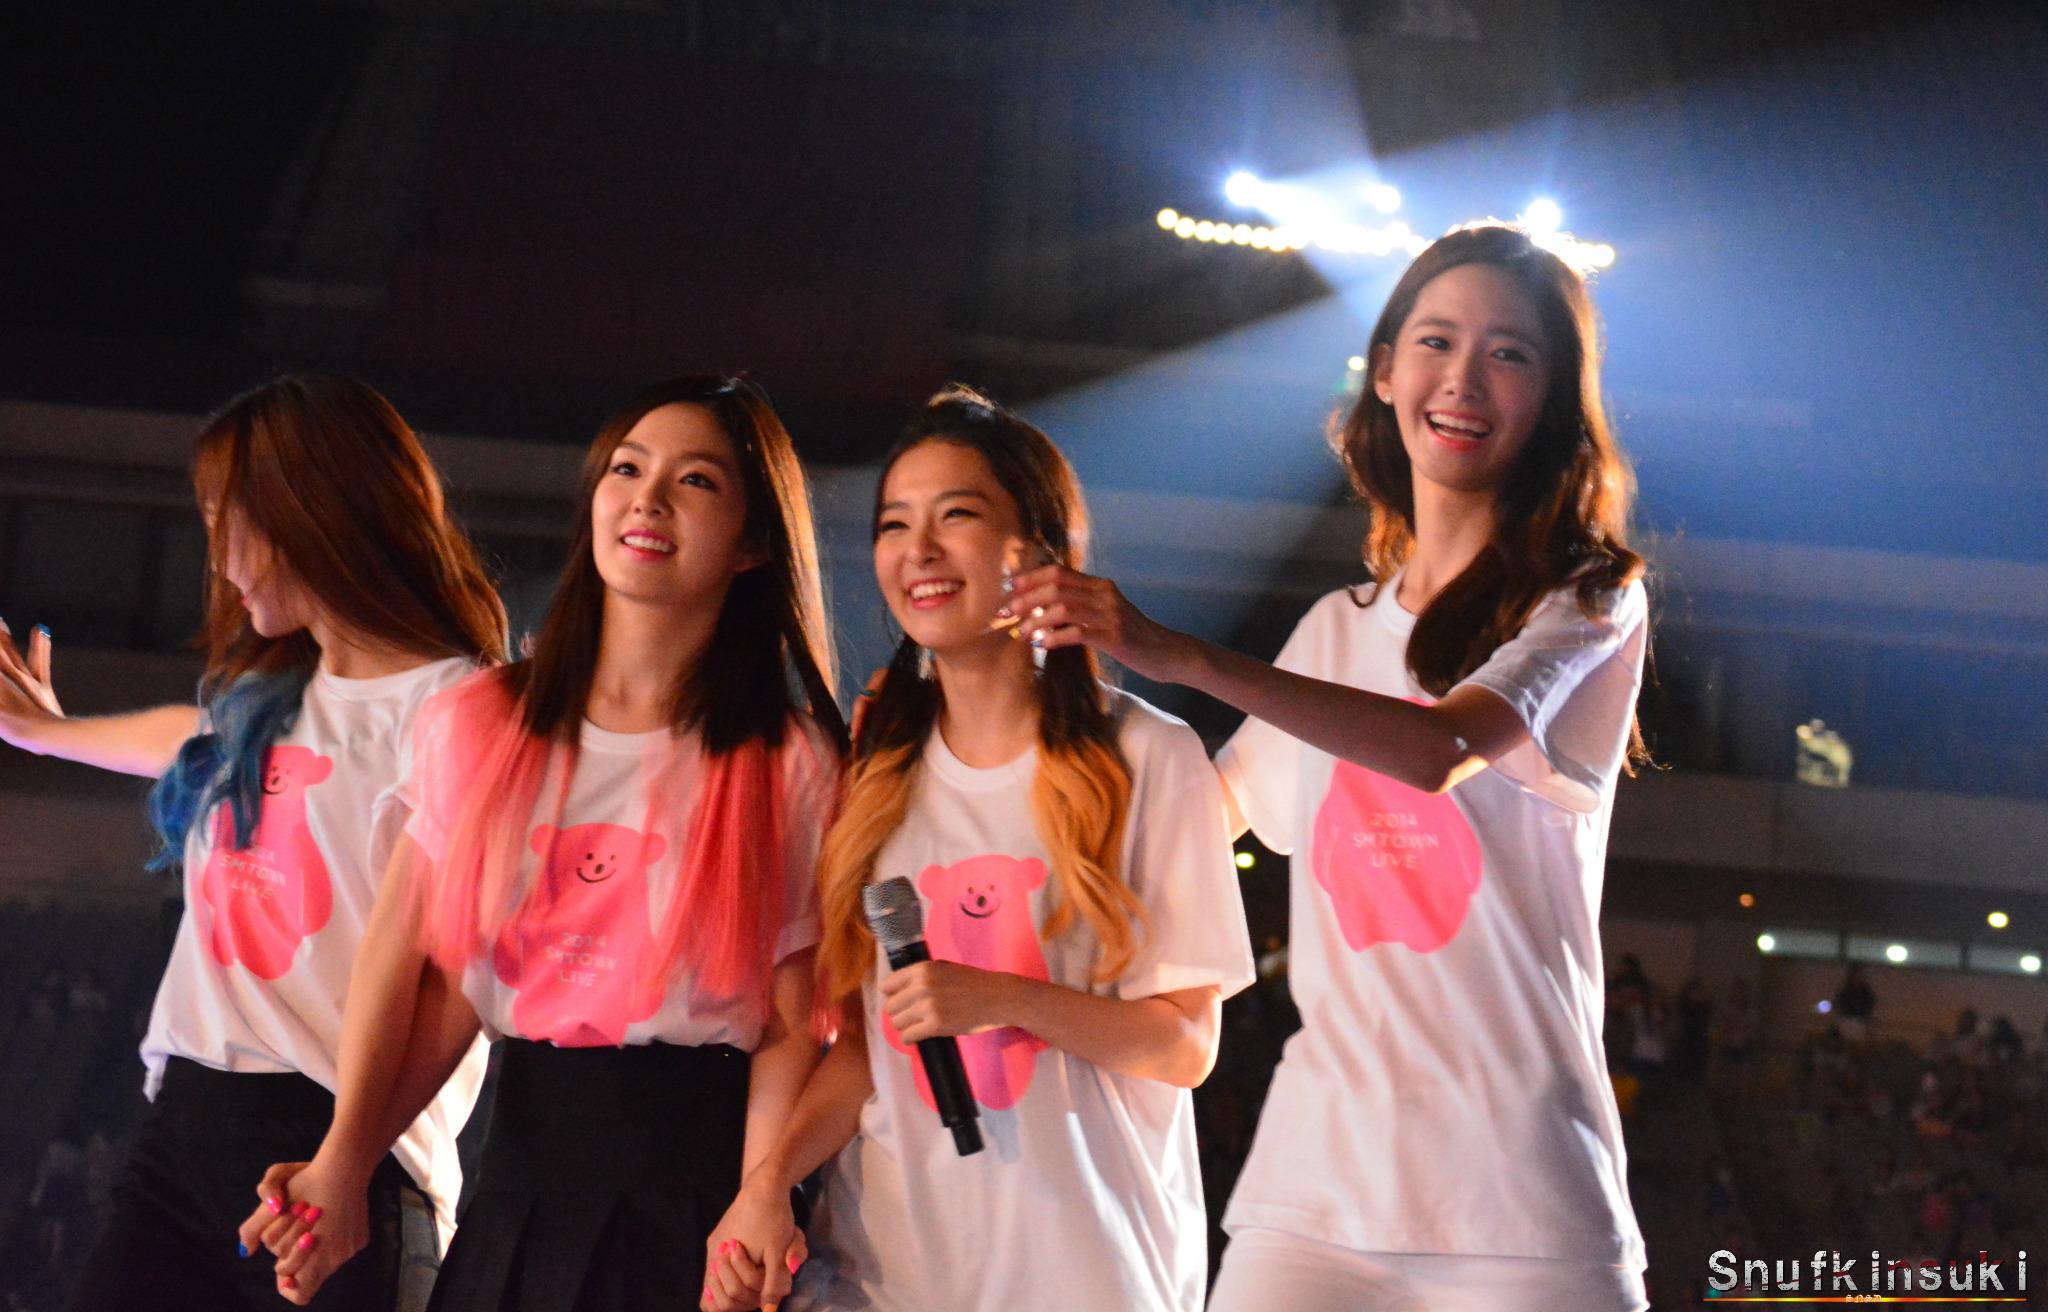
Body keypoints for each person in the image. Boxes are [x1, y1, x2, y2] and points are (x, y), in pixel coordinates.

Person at [1008, 223, 1653, 1310]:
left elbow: (1438, 748)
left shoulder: (1585, 599)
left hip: (1522, 1204)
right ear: (1386, 372)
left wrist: (1178, 654)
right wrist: (983, 720)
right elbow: (1196, 812)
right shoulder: (1331, 628)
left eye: (1508, 353)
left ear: (1551, 399)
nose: (1462, 377)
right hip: (1312, 1195)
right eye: (1435, 341)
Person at [239, 376, 845, 1312]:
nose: (647, 499)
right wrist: (344, 1161)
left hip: (693, 1197)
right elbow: (442, 986)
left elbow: (791, 1020)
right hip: (517, 1186)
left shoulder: (788, 761)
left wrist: (760, 1200)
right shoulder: (479, 722)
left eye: (696, 481)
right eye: (627, 469)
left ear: (755, 542)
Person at [701, 388, 1253, 1312]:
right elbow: (867, 1045)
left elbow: (1185, 1044)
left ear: (1036, 548)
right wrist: (766, 1187)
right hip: (882, 1273)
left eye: (954, 515)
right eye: (893, 524)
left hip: (1085, 1274)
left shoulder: (1146, 755)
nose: (917, 550)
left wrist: (1004, 997)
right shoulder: (876, 772)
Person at [0, 375, 506, 1311]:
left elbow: (460, 980)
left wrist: (347, 1159)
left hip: (338, 1151)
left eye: (221, 520)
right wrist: (44, 734)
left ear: (305, 513)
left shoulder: (459, 706)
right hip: (180, 1138)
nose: (218, 559)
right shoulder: (269, 701)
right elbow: (186, 742)